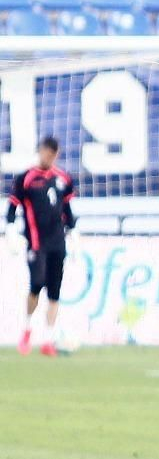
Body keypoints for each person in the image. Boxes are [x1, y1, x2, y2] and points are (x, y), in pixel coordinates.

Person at [6, 136, 76, 357]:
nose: (49, 157)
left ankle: (48, 339)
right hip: (36, 244)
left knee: (54, 292)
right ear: (41, 152)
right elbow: (12, 208)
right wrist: (10, 231)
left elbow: (68, 210)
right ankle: (26, 328)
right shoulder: (26, 179)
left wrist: (73, 233)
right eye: (47, 152)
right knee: (36, 285)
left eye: (53, 154)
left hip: (58, 243)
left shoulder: (63, 178)